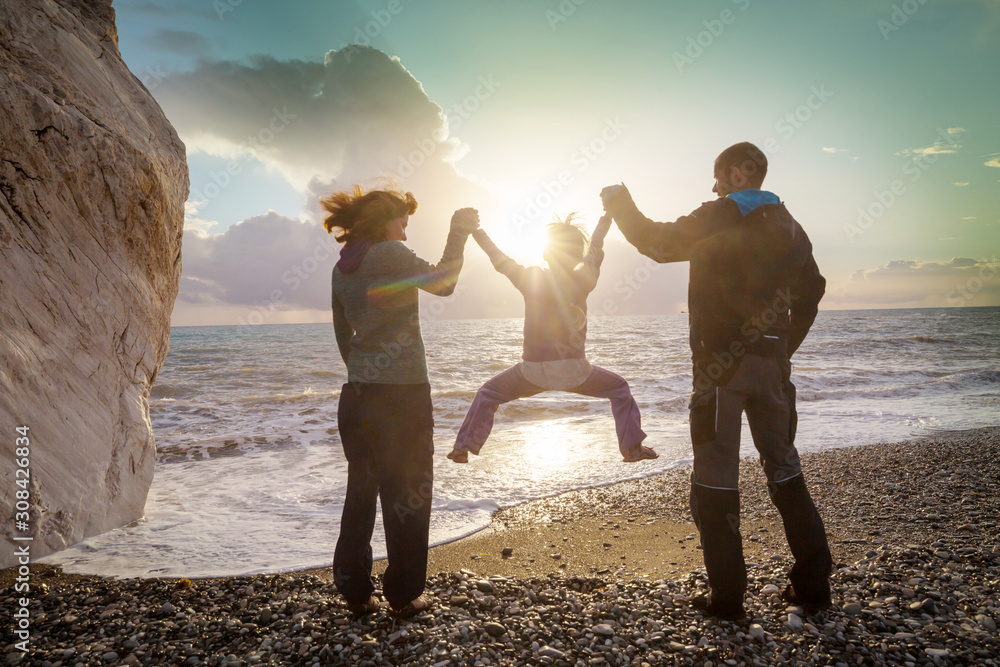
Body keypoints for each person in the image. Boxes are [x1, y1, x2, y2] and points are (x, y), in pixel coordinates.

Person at [601, 142, 832, 621]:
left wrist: (619, 204)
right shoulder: (793, 226)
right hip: (773, 369)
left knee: (715, 474)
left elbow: (660, 244)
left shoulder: (722, 213)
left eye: (719, 177)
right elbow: (814, 288)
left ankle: (727, 599)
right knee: (784, 467)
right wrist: (782, 346)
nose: (714, 186)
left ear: (738, 173)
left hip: (722, 369)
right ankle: (813, 585)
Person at [324, 185, 479, 618]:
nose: (406, 234)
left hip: (357, 396)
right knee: (407, 493)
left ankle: (355, 592)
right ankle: (405, 594)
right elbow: (444, 282)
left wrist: (364, 375)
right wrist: (458, 232)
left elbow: (343, 338)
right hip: (402, 394)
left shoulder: (341, 270)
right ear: (386, 222)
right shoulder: (389, 253)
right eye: (404, 223)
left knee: (361, 491)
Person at [448, 214, 657, 464]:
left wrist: (477, 233)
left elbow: (499, 260)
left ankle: (462, 448)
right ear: (578, 256)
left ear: (546, 253)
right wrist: (604, 222)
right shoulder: (584, 278)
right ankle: (633, 449)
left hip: (532, 370)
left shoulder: (531, 278)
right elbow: (596, 250)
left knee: (488, 394)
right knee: (619, 389)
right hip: (575, 370)